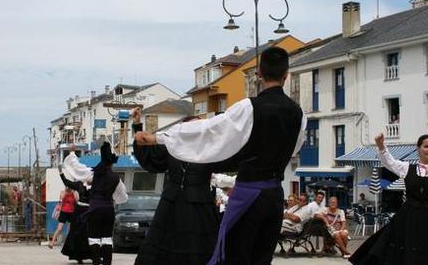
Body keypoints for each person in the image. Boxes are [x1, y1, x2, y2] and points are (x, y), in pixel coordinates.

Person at [135, 47, 307, 264]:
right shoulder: (299, 114)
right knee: (262, 258)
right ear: (286, 75)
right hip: (274, 196)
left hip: (249, 196)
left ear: (259, 74)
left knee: (234, 256)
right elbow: (293, 149)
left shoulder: (249, 107)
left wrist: (158, 138)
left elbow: (209, 130)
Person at [131, 110, 237, 265]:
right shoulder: (171, 146)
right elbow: (147, 154)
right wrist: (137, 124)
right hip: (172, 204)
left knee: (199, 249)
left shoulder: (209, 149)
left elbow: (232, 153)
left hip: (198, 206)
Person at [349, 133, 428, 264]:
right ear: (418, 148)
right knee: (402, 247)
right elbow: (390, 162)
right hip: (409, 215)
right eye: (426, 146)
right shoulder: (407, 167)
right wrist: (381, 145)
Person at [61, 142, 128, 265]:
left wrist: (72, 153)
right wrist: (112, 198)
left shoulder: (93, 173)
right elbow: (123, 197)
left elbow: (76, 167)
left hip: (95, 210)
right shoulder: (116, 178)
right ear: (112, 163)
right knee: (107, 239)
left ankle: (96, 262)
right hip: (109, 210)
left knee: (94, 239)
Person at [58, 166, 92, 263]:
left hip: (90, 210)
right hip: (80, 211)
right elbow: (66, 182)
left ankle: (94, 255)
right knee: (77, 233)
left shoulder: (96, 185)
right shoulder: (79, 185)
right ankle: (78, 256)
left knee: (91, 233)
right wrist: (61, 172)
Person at [49, 181, 77, 248]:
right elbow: (61, 197)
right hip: (64, 212)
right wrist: (65, 191)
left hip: (72, 212)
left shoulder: (74, 192)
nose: (68, 188)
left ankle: (69, 243)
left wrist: (73, 192)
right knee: (59, 228)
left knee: (70, 229)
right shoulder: (63, 192)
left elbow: (77, 199)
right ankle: (52, 242)